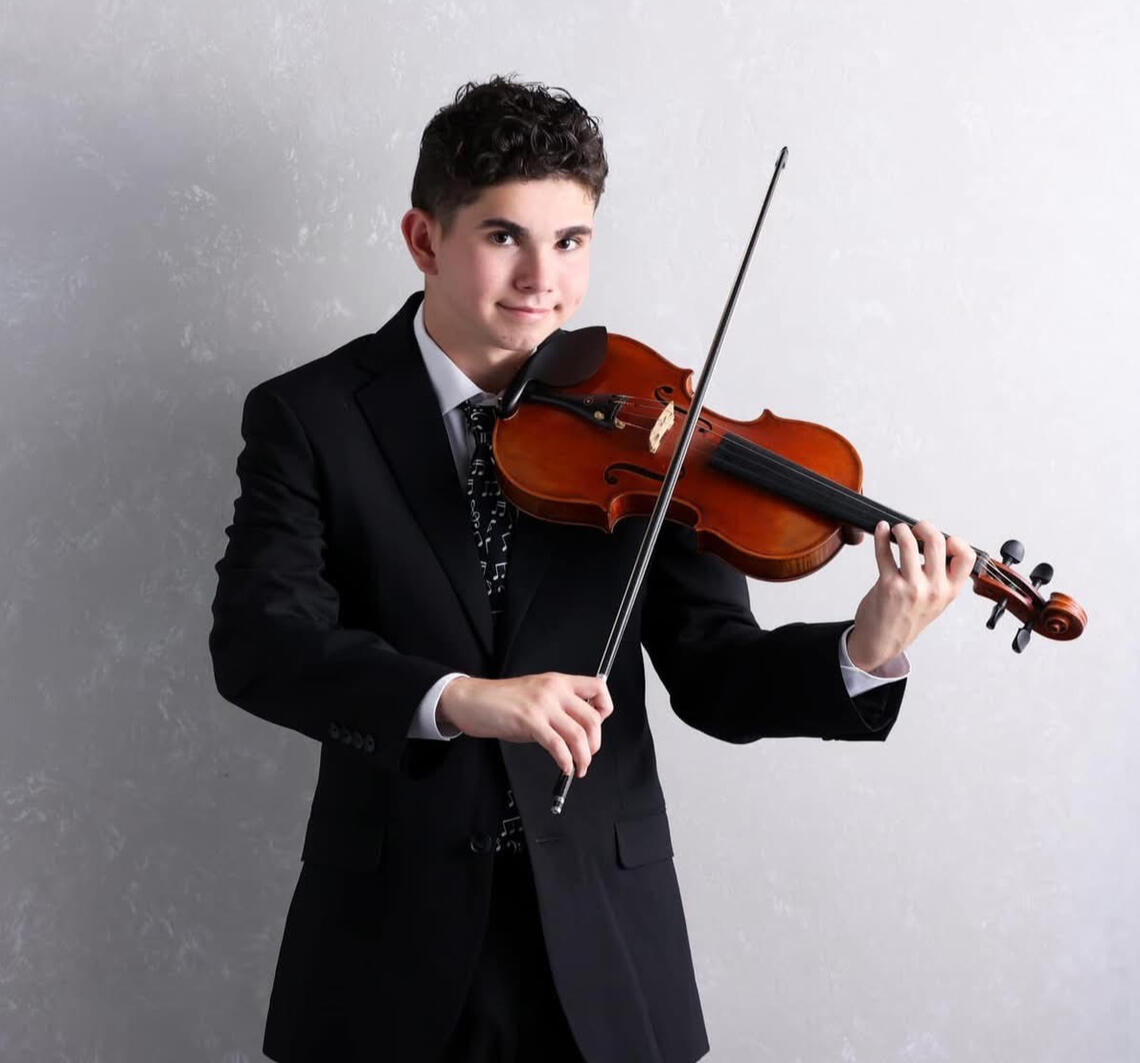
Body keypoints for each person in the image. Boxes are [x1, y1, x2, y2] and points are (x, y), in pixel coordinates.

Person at [209, 75, 975, 1063]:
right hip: (386, 945)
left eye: (571, 241)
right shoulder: (310, 416)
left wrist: (864, 649)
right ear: (423, 238)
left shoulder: (649, 425)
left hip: (606, 944)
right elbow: (263, 643)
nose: (543, 279)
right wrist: (459, 698)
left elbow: (716, 669)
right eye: (504, 236)